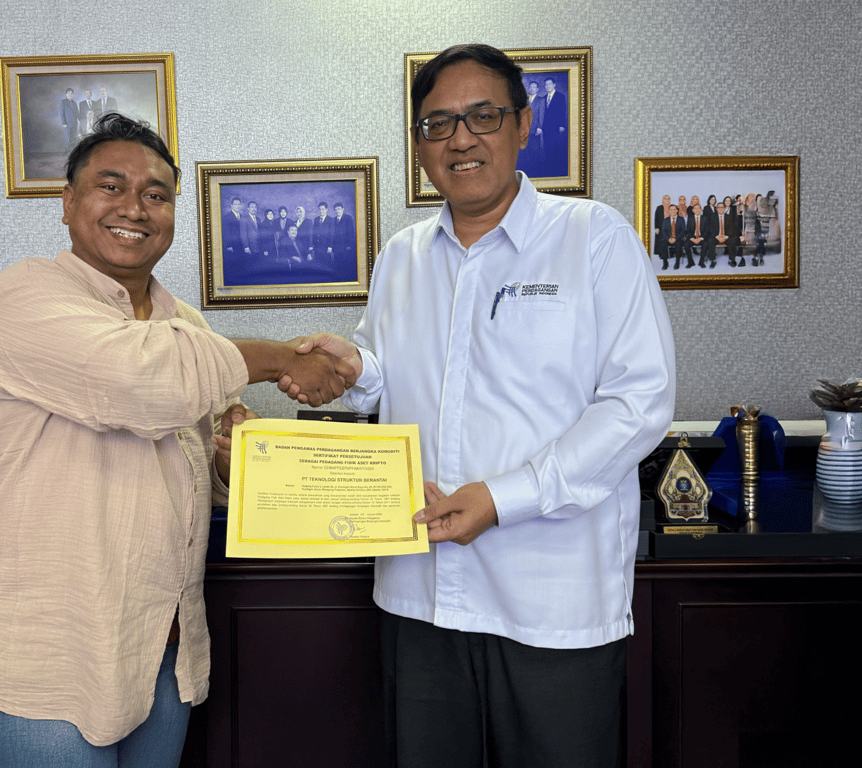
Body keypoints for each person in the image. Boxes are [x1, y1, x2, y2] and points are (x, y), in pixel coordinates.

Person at [286, 43, 674, 768]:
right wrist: (353, 370)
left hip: (552, 601)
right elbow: (392, 377)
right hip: (420, 592)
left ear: (523, 125)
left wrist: (502, 498)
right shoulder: (401, 257)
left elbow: (638, 403)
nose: (460, 139)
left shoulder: (593, 239)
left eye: (482, 116)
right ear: (420, 145)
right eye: (438, 124)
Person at [0, 113, 355, 768]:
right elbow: (137, 381)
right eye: (110, 186)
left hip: (163, 648)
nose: (134, 208)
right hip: (46, 655)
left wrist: (235, 461)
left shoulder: (187, 325)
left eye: (155, 194)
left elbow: (200, 463)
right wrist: (283, 359)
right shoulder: (26, 292)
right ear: (68, 203)